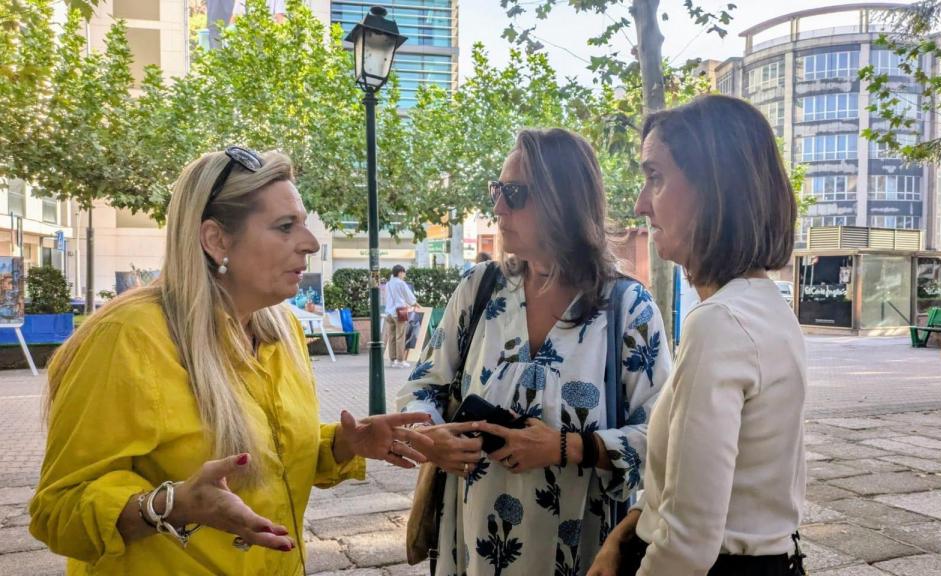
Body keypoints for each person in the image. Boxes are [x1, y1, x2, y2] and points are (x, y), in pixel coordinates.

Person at [30, 147, 431, 576]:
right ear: (216, 240)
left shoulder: (282, 331)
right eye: (284, 226)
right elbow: (58, 509)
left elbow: (267, 458)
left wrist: (343, 444)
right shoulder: (126, 337)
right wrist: (172, 505)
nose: (310, 243)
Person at [398, 128, 672, 575]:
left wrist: (568, 447)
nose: (498, 207)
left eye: (515, 193)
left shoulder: (626, 308)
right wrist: (433, 436)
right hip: (471, 544)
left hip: (580, 554)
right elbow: (422, 386)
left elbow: (663, 438)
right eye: (497, 190)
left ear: (564, 202)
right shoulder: (479, 290)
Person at [588, 95, 807, 576]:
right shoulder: (766, 306)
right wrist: (624, 535)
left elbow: (687, 547)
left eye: (657, 177)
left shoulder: (720, 323)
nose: (642, 203)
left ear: (716, 189)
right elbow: (693, 486)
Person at [384, 264, 417, 368]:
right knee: (400, 336)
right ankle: (400, 360)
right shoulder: (401, 283)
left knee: (392, 337)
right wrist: (414, 303)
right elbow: (410, 297)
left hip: (389, 313)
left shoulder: (388, 284)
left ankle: (392, 360)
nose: (404, 275)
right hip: (399, 312)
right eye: (404, 273)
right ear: (400, 273)